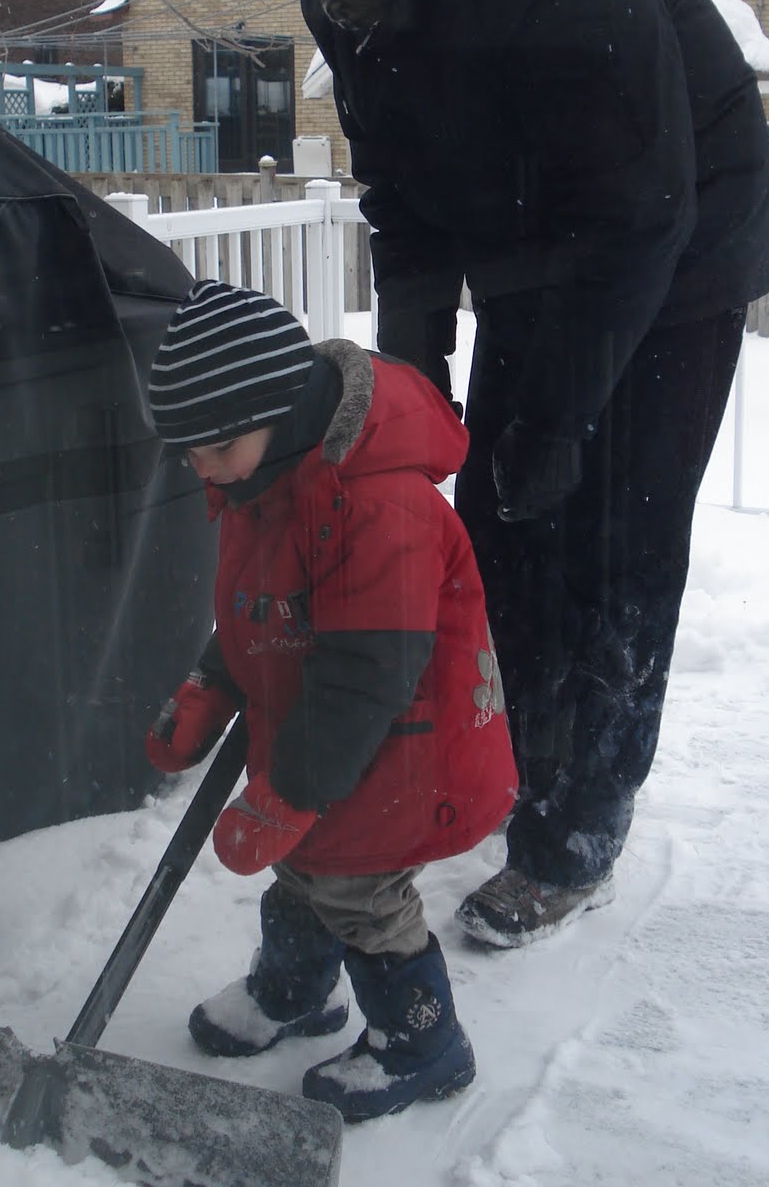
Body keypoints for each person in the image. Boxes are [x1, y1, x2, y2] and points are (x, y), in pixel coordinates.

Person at [225, 0, 769, 947]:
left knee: (614, 542)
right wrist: (410, 390)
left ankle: (577, 835)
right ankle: (516, 763)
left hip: (678, 256)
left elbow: (642, 207)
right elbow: (401, 195)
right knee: (498, 522)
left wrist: (559, 417)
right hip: (537, 251)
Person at [144, 278, 517, 1122]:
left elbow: (365, 672)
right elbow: (265, 607)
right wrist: (212, 682)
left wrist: (290, 791)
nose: (202, 470)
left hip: (402, 747)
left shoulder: (377, 505)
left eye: (217, 447)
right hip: (332, 738)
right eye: (188, 452)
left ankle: (423, 1044)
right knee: (307, 871)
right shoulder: (266, 480)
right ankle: (296, 994)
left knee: (360, 894)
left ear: (280, 413)